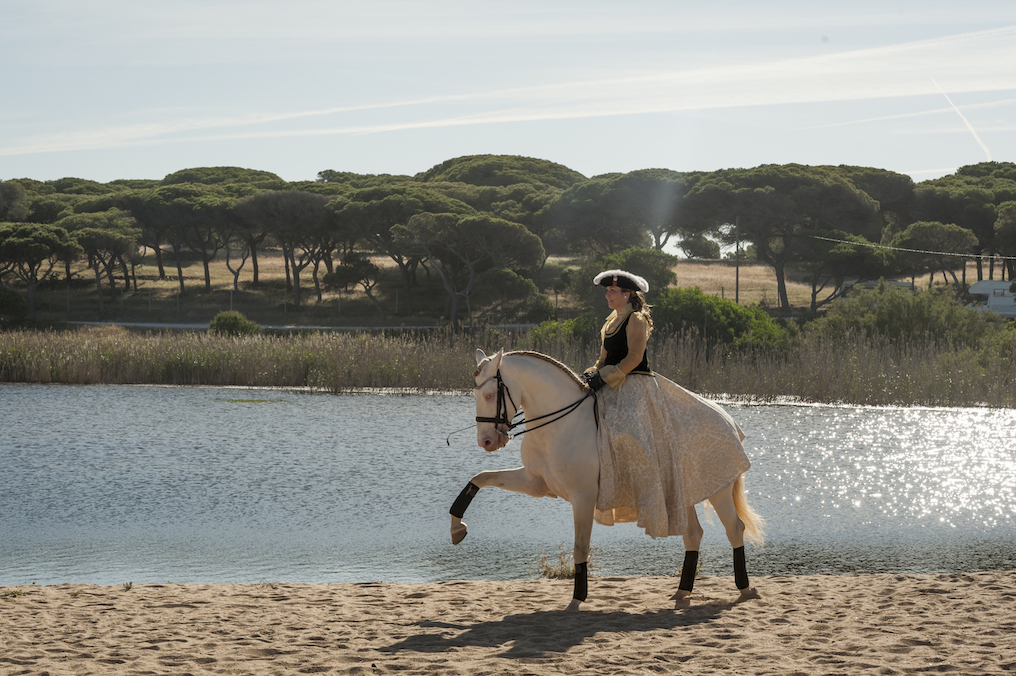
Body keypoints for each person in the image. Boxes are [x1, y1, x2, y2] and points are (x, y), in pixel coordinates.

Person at [580, 269, 754, 541]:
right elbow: (603, 359)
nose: (607, 295)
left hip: (635, 385)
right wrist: (592, 374)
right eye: (607, 291)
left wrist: (606, 377)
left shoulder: (636, 319)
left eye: (612, 291)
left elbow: (634, 357)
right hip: (612, 386)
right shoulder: (611, 321)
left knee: (630, 433)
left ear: (626, 294)